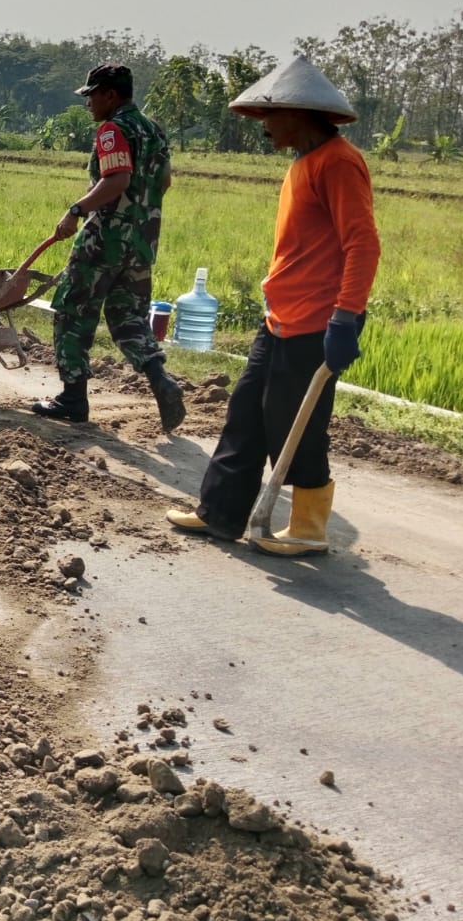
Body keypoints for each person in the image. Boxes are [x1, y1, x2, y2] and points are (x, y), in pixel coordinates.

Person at [167, 55, 380, 556]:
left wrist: (345, 318)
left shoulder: (340, 163)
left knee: (296, 423)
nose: (263, 126)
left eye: (271, 116)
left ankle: (308, 528)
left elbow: (362, 244)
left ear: (300, 114)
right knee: (245, 412)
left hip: (318, 321)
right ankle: (219, 512)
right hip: (280, 316)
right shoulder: (303, 163)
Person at [32, 63, 186, 431]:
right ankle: (160, 379)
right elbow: (163, 182)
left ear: (110, 95)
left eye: (92, 95)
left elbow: (117, 179)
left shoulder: (112, 130)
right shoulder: (154, 130)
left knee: (72, 309)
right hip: (142, 242)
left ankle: (72, 398)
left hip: (105, 239)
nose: (88, 103)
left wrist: (77, 210)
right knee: (127, 316)